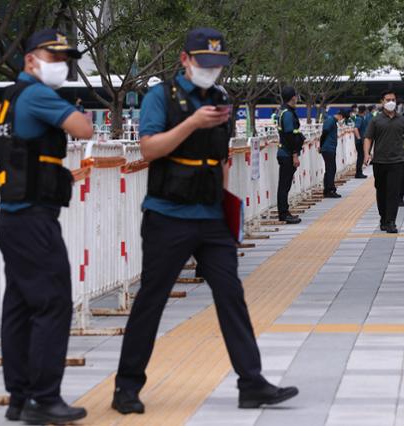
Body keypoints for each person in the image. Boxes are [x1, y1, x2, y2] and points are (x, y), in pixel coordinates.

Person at [111, 28, 298, 415]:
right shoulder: (160, 98)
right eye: (204, 63)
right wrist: (192, 123)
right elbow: (149, 148)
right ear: (185, 60)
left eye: (217, 65)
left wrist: (227, 210)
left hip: (211, 218)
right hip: (167, 215)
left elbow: (222, 159)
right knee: (152, 300)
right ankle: (126, 387)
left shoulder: (221, 99)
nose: (211, 71)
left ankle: (252, 382)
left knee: (231, 296)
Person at [0, 28, 93, 424]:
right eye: (54, 58)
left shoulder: (9, 97)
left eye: (65, 59)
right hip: (33, 217)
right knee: (52, 303)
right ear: (31, 60)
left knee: (19, 305)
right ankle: (44, 397)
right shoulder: (36, 94)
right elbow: (83, 129)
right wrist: (77, 113)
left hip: (14, 216)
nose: (62, 66)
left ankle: (19, 397)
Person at [363, 90, 404, 234]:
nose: (391, 102)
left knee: (393, 192)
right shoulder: (375, 120)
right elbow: (368, 138)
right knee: (381, 191)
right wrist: (367, 154)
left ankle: (391, 221)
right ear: (382, 102)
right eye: (388, 99)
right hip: (379, 162)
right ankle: (383, 218)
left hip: (397, 161)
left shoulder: (403, 120)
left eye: (393, 99)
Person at [276, 85, 305, 224]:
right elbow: (289, 135)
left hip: (285, 152)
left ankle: (284, 212)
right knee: (284, 185)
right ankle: (284, 213)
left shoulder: (285, 111)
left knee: (285, 184)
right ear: (293, 97)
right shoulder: (287, 113)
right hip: (287, 153)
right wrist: (295, 154)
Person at [319, 109, 344, 197]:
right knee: (331, 169)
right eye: (342, 118)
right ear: (340, 116)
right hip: (328, 148)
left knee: (330, 169)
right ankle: (330, 190)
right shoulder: (330, 120)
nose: (342, 120)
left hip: (329, 148)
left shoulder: (332, 121)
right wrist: (321, 145)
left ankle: (327, 190)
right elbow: (324, 132)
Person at [354, 105, 369, 178]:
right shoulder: (359, 119)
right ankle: (358, 173)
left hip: (361, 141)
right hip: (359, 142)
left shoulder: (361, 118)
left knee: (361, 156)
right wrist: (359, 138)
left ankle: (359, 172)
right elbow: (356, 128)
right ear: (364, 111)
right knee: (360, 157)